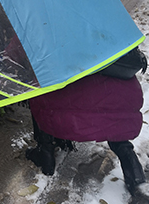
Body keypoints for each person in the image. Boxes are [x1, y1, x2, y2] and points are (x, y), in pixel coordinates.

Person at [25, 52, 147, 195]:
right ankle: (134, 172)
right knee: (115, 120)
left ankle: (45, 152)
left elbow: (18, 53)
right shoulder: (113, 31)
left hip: (70, 98)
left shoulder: (52, 31)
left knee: (40, 96)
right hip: (122, 99)